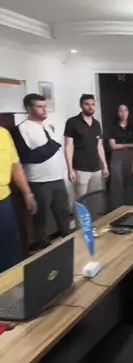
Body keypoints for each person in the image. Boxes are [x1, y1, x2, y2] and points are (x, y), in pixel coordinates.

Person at [14, 93, 70, 249]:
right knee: (41, 218)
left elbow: (52, 149)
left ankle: (69, 242)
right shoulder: (22, 128)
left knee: (64, 212)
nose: (44, 110)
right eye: (39, 107)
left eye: (45, 106)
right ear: (28, 109)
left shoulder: (48, 126)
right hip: (39, 181)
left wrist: (52, 147)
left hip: (57, 178)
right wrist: (53, 146)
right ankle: (45, 249)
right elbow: (28, 156)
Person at [0, 126, 37, 273]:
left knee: (10, 247)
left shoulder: (3, 134)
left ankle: (11, 282)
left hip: (3, 201)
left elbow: (15, 166)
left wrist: (27, 193)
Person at [64, 95, 109, 199]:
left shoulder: (96, 124)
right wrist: (70, 169)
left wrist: (105, 165)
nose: (90, 107)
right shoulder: (72, 122)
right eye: (87, 104)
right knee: (81, 200)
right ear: (81, 106)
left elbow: (99, 146)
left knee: (95, 199)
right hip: (81, 169)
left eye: (93, 104)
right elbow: (68, 147)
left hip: (96, 169)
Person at [108, 104, 133, 208]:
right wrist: (129, 145)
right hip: (117, 155)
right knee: (116, 183)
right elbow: (113, 146)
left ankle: (132, 209)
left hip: (131, 155)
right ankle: (117, 209)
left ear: (128, 112)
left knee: (131, 182)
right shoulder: (113, 127)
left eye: (125, 110)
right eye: (120, 110)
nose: (123, 113)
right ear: (117, 113)